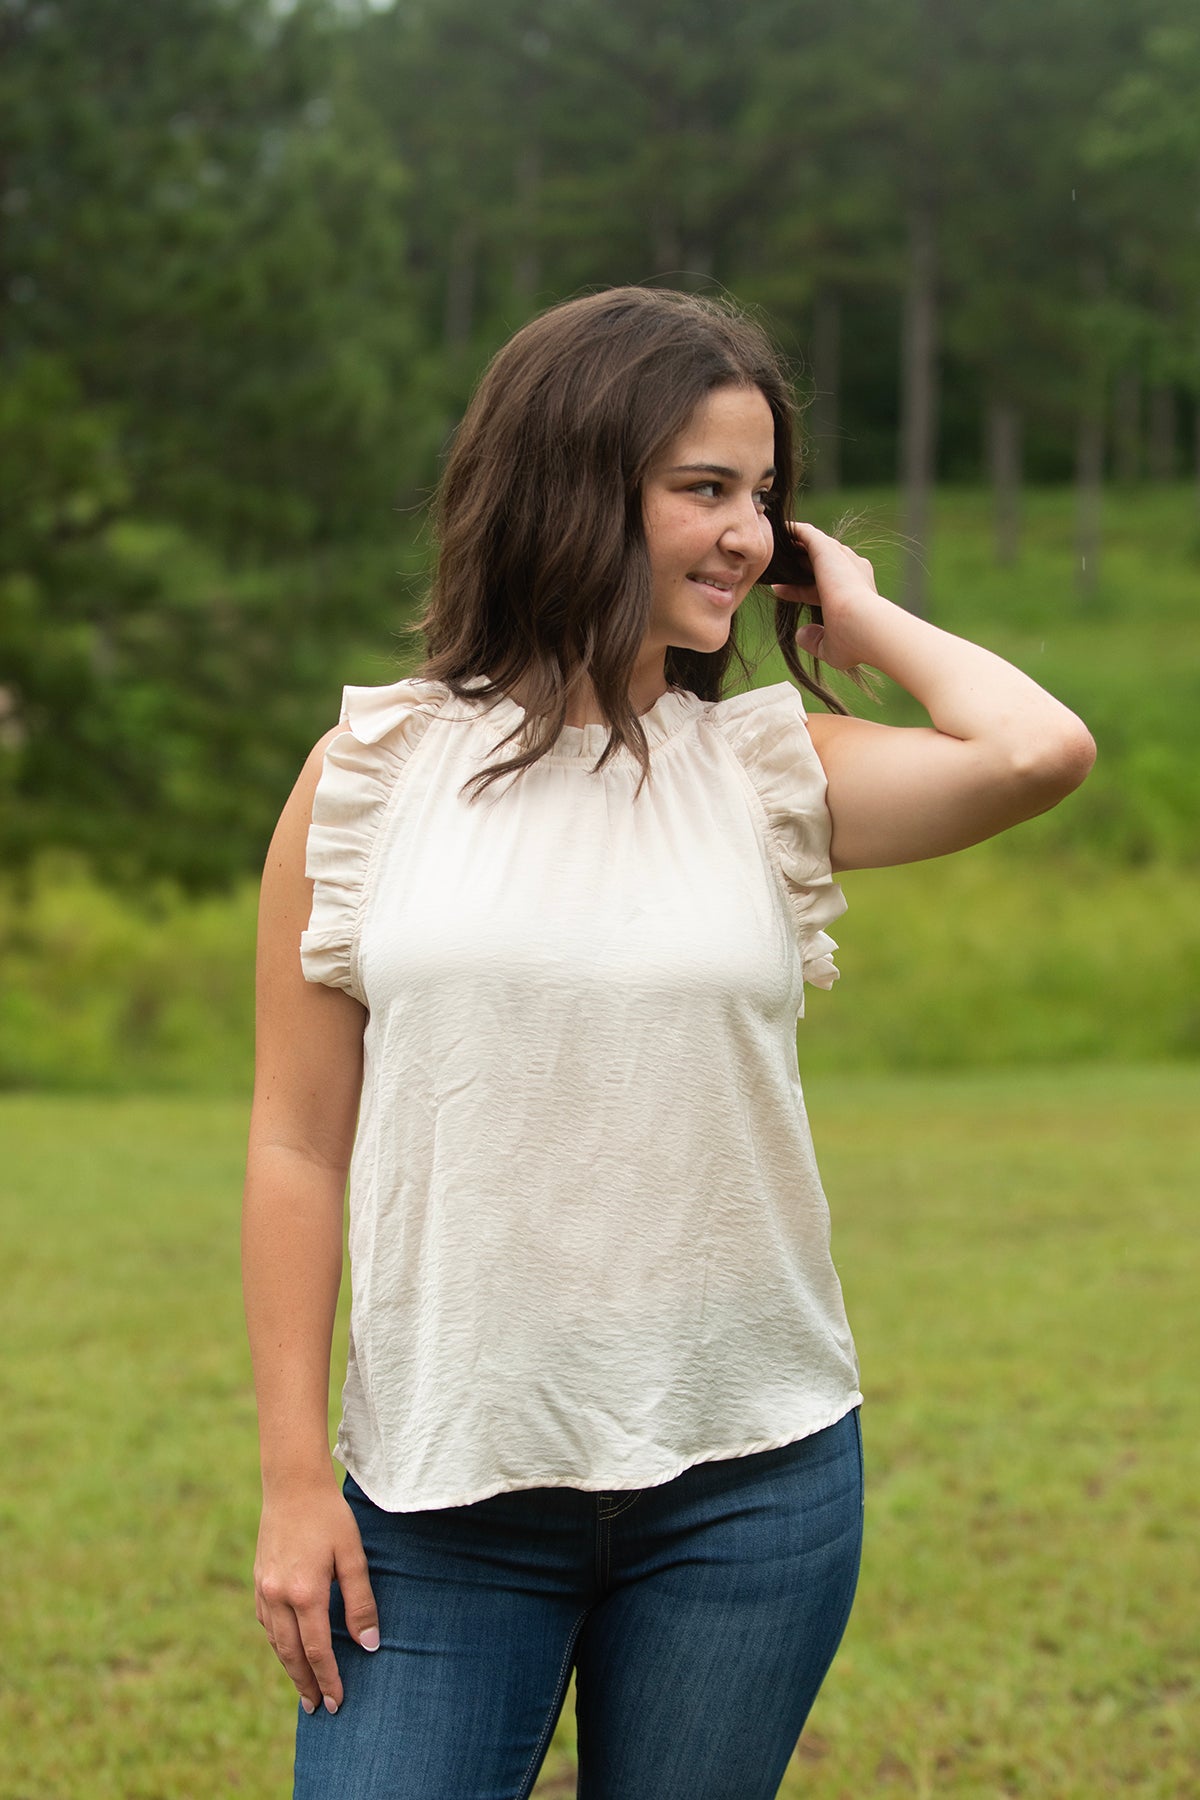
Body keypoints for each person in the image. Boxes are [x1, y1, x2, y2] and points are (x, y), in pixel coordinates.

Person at [242, 286, 1095, 1800]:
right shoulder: (369, 776)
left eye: (765, 496)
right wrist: (294, 1476)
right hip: (442, 1501)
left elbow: (1037, 752)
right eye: (705, 489)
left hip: (750, 1488)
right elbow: (297, 1143)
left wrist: (865, 614)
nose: (749, 532)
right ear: (573, 487)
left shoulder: (771, 772)